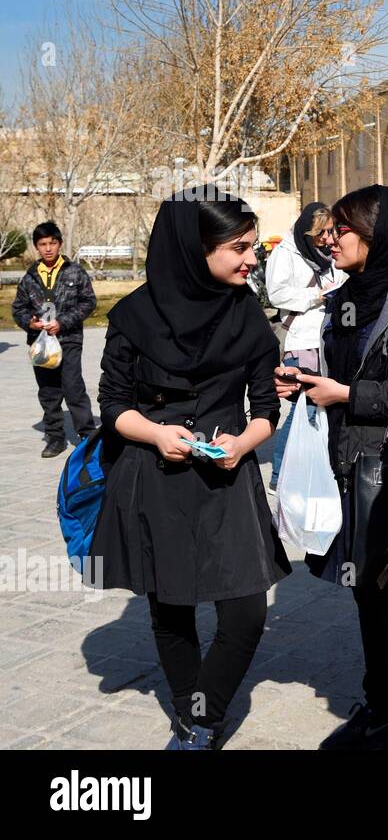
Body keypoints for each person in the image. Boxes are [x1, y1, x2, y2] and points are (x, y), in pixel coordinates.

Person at [91, 189, 290, 750]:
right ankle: (194, 719)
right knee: (172, 607)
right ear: (193, 250)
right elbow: (112, 405)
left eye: (253, 247)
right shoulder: (133, 315)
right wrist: (156, 433)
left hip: (228, 477)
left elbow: (267, 410)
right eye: (239, 248)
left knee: (246, 613)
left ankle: (205, 709)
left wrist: (242, 442)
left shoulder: (247, 311)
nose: (251, 259)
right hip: (157, 477)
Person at [274, 184, 388, 750]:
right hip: (347, 462)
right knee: (366, 589)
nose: (329, 237)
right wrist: (301, 384)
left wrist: (345, 394)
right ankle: (382, 701)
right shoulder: (350, 295)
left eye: (341, 228)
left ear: (377, 233)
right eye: (329, 228)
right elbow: (338, 371)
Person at [265, 202, 346, 490]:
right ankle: (278, 475)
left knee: (312, 407)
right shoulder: (285, 253)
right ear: (307, 231)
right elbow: (276, 294)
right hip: (300, 340)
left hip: (322, 338)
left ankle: (300, 470)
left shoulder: (324, 255)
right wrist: (316, 296)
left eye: (329, 232)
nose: (327, 238)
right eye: (321, 233)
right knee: (306, 405)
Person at [10, 221, 97, 456]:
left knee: (73, 387)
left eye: (52, 243)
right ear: (36, 247)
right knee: (48, 391)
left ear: (59, 244)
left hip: (68, 340)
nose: (48, 248)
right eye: (42, 244)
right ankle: (55, 437)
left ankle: (88, 437)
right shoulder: (30, 277)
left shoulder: (75, 271)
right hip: (40, 345)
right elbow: (18, 309)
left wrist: (63, 322)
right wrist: (30, 322)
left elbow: (89, 302)